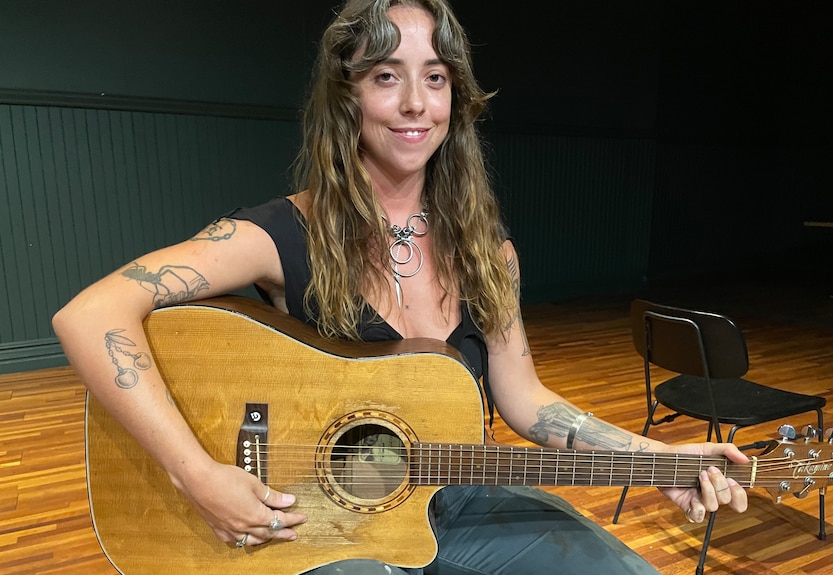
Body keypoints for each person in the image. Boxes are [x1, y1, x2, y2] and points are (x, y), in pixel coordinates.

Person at [52, 0, 749, 573]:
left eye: (436, 77)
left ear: (458, 96)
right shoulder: (278, 234)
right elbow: (90, 314)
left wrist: (654, 456)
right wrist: (196, 474)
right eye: (387, 76)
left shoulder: (489, 251)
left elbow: (526, 398)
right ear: (347, 94)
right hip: (314, 519)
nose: (416, 103)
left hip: (459, 499)